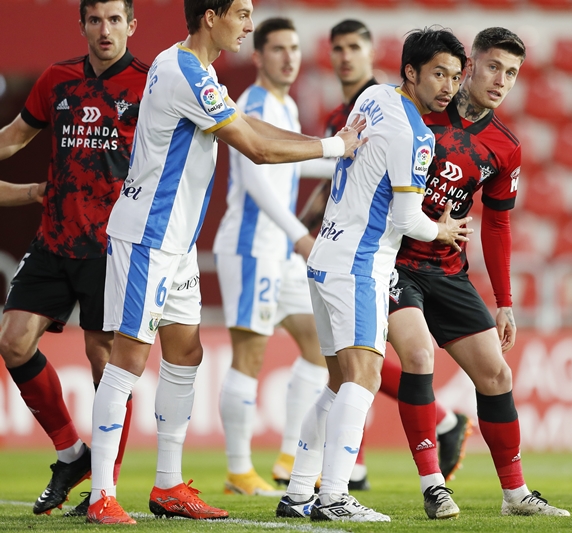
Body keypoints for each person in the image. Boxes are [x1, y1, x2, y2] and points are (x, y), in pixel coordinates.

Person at [87, 0, 364, 525]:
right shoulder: (184, 71)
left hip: (178, 242)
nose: (249, 24)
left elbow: (253, 128)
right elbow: (255, 148)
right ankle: (102, 492)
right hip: (148, 236)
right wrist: (334, 147)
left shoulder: (198, 70)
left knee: (186, 353)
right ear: (210, 16)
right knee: (128, 359)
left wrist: (333, 145)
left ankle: (168, 485)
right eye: (240, 12)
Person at [276, 27, 470, 523]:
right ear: (411, 72)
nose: (447, 86)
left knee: (338, 383)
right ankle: (335, 495)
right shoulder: (416, 135)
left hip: (324, 255)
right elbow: (407, 221)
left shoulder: (373, 95)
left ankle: (299, 491)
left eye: (454, 75)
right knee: (362, 379)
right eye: (438, 74)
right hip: (359, 265)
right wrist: (443, 230)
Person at [385, 27, 568, 520]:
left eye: (511, 73)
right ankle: (433, 485)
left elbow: (499, 225)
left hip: (448, 270)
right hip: (393, 261)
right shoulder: (416, 116)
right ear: (469, 68)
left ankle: (515, 494)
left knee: (496, 372)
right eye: (493, 67)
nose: (501, 80)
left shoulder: (505, 148)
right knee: (419, 356)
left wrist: (504, 300)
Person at [0, 0, 146, 517]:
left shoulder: (149, 84)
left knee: (106, 362)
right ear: (82, 25)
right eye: (94, 20)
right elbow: (17, 136)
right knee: (13, 342)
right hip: (55, 239)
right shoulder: (57, 78)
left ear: (132, 24)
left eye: (114, 20)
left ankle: (104, 486)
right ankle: (70, 453)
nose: (104, 30)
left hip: (113, 246)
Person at [213, 16, 333, 497]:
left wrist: (349, 155)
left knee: (319, 349)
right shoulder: (254, 104)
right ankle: (239, 470)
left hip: (278, 250)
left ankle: (289, 457)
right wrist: (298, 235)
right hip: (252, 245)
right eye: (278, 48)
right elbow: (257, 181)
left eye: (295, 48)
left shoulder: (285, 105)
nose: (289, 57)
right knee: (250, 354)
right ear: (258, 56)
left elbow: (299, 160)